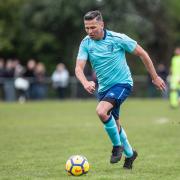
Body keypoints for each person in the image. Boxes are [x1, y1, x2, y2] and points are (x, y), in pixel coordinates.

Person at [75, 10, 166, 169]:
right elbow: (78, 68)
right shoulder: (86, 43)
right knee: (115, 124)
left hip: (122, 84)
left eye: (93, 27)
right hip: (104, 88)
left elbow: (142, 54)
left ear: (102, 24)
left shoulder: (118, 39)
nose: (90, 31)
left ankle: (117, 147)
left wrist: (155, 77)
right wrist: (85, 82)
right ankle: (130, 154)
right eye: (87, 28)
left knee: (101, 111)